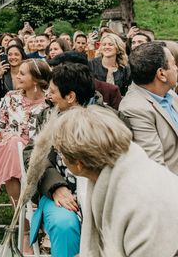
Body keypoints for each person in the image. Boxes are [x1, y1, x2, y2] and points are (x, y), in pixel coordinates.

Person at [52, 105, 178, 256]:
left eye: (61, 154)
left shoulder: (141, 200)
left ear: (79, 164)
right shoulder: (114, 169)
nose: (61, 159)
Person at [23, 63, 99, 256]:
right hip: (58, 193)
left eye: (53, 91)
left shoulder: (108, 119)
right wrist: (56, 186)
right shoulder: (48, 115)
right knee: (64, 224)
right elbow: (33, 154)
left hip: (99, 191)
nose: (48, 95)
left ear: (71, 97)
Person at [0, 59, 50, 211]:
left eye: (22, 74)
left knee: (17, 150)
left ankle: (27, 219)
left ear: (35, 79)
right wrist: (7, 136)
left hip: (38, 155)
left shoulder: (49, 103)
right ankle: (25, 223)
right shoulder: (11, 98)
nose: (17, 76)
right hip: (9, 151)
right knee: (13, 147)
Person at [119, 42, 178, 173]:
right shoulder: (135, 109)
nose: (176, 68)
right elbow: (155, 167)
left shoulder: (169, 94)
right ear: (161, 74)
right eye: (173, 64)